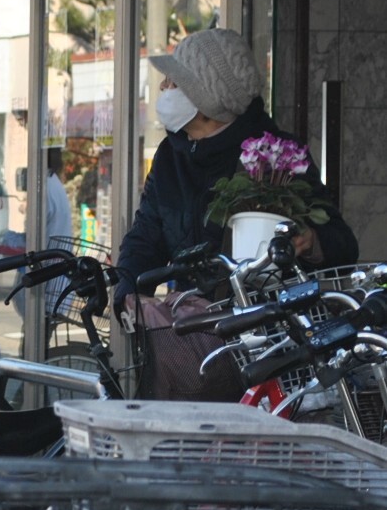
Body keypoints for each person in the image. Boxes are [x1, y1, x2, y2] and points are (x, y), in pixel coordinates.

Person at [114, 28, 358, 310]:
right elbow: (146, 235)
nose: (163, 87)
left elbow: (343, 246)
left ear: (206, 99)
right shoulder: (170, 156)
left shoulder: (274, 154)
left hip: (267, 332)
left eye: (175, 82)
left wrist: (311, 241)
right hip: (193, 331)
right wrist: (126, 287)